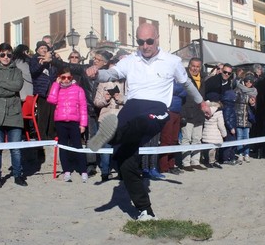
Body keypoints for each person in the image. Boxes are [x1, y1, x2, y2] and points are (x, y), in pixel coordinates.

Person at [85, 22, 211, 221]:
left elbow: (186, 83)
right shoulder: (131, 60)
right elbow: (112, 74)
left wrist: (202, 103)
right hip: (132, 106)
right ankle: (145, 210)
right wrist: (96, 73)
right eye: (141, 42)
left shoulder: (172, 61)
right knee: (124, 158)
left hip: (157, 108)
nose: (145, 46)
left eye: (149, 41)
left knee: (143, 123)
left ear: (157, 38)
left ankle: (113, 134)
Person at [0, 43, 27, 188]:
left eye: (9, 55)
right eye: (2, 54)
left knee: (15, 148)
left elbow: (17, 86)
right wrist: (8, 88)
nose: (5, 57)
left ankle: (18, 175)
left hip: (13, 114)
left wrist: (0, 84)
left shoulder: (17, 71)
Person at [47, 66, 88, 183]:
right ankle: (67, 171)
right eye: (63, 77)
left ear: (72, 78)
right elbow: (51, 100)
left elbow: (83, 108)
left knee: (78, 147)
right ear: (59, 78)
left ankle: (83, 171)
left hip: (74, 121)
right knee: (63, 147)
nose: (66, 80)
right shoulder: (57, 88)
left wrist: (83, 124)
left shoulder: (78, 89)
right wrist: (55, 84)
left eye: (68, 77)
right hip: (60, 122)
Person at [93, 69, 126, 181]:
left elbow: (132, 100)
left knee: (120, 147)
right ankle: (105, 171)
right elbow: (97, 102)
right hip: (106, 117)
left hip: (121, 117)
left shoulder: (126, 82)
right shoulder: (103, 83)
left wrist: (120, 98)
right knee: (105, 146)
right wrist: (105, 99)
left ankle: (120, 171)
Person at [181, 57, 207, 171]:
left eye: (197, 66)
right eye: (193, 66)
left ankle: (195, 161)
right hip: (187, 112)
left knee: (197, 138)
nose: (195, 68)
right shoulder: (184, 78)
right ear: (189, 66)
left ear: (200, 68)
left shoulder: (203, 79)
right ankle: (186, 163)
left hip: (199, 113)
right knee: (186, 139)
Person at [30, 40, 57, 141]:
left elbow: (55, 72)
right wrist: (41, 64)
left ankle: (51, 135)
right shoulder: (34, 59)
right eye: (42, 48)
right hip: (42, 91)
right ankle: (42, 137)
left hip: (52, 91)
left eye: (45, 48)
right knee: (43, 115)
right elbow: (33, 72)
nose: (44, 50)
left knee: (52, 114)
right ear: (37, 50)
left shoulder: (51, 60)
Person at [158, 81, 186, 175]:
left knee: (174, 140)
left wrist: (178, 90)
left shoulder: (180, 80)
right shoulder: (168, 78)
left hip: (177, 111)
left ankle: (171, 165)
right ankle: (163, 166)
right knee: (166, 140)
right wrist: (179, 90)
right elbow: (172, 89)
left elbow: (185, 92)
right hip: (168, 110)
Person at [234, 73, 257, 163]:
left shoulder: (254, 92)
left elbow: (255, 107)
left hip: (248, 117)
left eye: (250, 82)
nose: (248, 83)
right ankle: (240, 154)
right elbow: (235, 100)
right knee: (239, 137)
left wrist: (253, 104)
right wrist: (247, 100)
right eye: (247, 81)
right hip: (239, 115)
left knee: (246, 137)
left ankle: (246, 154)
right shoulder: (238, 89)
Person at [202, 96, 227, 168]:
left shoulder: (205, 110)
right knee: (213, 149)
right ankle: (212, 161)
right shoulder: (218, 112)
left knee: (206, 148)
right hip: (215, 134)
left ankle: (206, 160)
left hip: (206, 132)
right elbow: (221, 125)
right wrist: (224, 134)